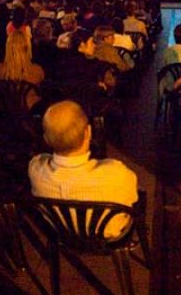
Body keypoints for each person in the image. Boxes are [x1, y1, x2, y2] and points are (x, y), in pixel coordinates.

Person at [29, 100, 138, 238]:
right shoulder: (116, 172)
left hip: (60, 232)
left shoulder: (35, 169)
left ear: (46, 139)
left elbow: (41, 158)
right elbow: (133, 196)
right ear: (89, 132)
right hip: (108, 235)